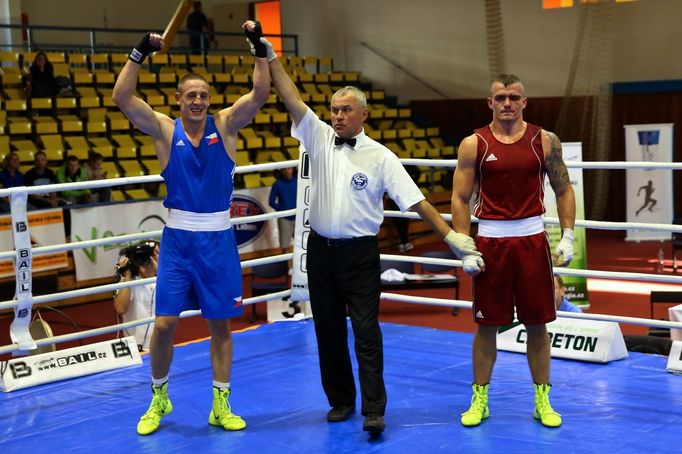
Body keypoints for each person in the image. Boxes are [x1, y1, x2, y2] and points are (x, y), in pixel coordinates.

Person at [245, 23, 479, 435]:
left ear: (363, 115)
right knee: (328, 332)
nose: (337, 116)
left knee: (367, 332)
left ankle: (374, 409)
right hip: (320, 252)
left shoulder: (382, 157)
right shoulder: (316, 136)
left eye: (345, 110)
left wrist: (453, 240)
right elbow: (289, 95)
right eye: (334, 110)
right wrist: (267, 51)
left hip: (359, 256)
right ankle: (340, 401)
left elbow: (416, 202)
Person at [112, 28, 270, 436]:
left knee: (220, 325)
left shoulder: (228, 125)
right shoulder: (165, 131)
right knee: (164, 325)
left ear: (209, 101)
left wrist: (258, 50)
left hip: (218, 240)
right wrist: (139, 52)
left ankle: (221, 403)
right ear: (179, 100)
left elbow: (259, 95)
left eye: (203, 95)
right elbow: (122, 98)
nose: (198, 100)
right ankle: (158, 396)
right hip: (179, 241)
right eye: (191, 95)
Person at [451, 74, 576, 428]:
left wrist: (567, 235)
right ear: (490, 102)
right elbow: (460, 198)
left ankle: (542, 399)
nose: (507, 103)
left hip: (533, 241)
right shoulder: (473, 143)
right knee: (486, 326)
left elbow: (563, 188)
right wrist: (464, 244)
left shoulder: (545, 141)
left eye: (514, 97)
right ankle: (480, 399)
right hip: (491, 243)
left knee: (538, 325)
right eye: (501, 97)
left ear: (524, 102)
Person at [114, 241, 159, 351]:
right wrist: (127, 275)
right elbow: (120, 309)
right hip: (135, 348)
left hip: (160, 343)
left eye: (158, 253)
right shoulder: (128, 282)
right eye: (152, 254)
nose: (156, 257)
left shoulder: (163, 279)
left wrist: (156, 271)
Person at [268, 166, 297, 251]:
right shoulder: (277, 184)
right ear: (282, 171)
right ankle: (286, 264)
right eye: (285, 169)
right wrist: (283, 210)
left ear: (293, 169)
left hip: (299, 217)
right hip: (284, 219)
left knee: (303, 243)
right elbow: (271, 201)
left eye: (289, 168)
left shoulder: (299, 181)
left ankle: (303, 264)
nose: (287, 171)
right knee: (285, 246)